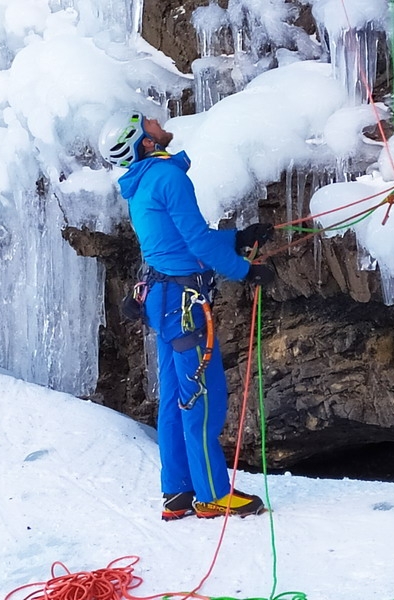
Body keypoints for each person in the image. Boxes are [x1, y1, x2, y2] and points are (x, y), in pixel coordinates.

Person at [98, 110, 275, 520]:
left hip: (161, 299)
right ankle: (212, 493)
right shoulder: (169, 177)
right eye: (150, 123)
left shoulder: (144, 182)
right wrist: (245, 271)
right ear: (146, 141)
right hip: (184, 303)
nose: (159, 121)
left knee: (177, 396)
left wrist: (238, 239)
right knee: (202, 394)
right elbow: (194, 240)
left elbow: (179, 240)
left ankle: (177, 491)